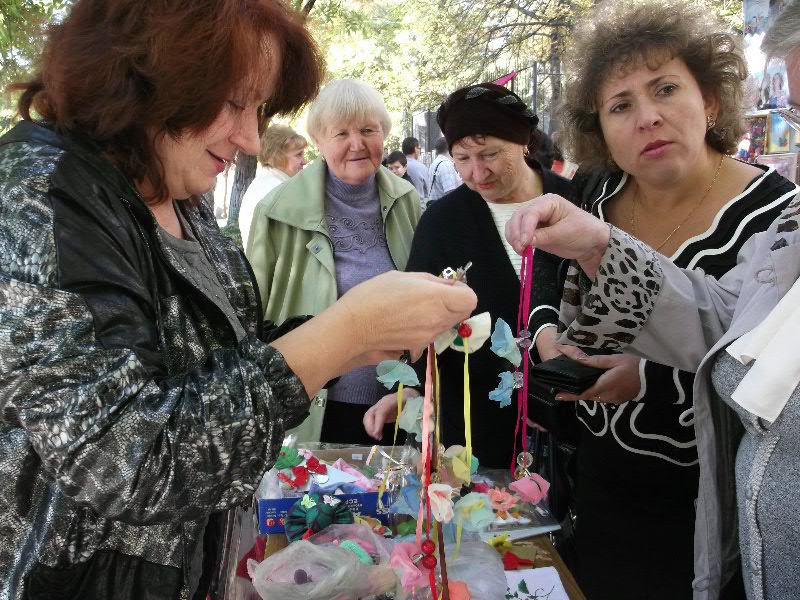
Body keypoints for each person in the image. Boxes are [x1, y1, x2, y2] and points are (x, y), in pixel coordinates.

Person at [0, 2, 478, 599]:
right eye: (233, 102)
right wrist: (344, 333)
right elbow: (124, 457)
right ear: (148, 72)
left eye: (258, 108)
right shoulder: (39, 196)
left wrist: (369, 328)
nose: (250, 136)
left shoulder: (171, 188)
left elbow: (224, 360)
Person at [506, 2, 800, 598]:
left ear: (711, 100)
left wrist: (643, 378)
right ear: (599, 129)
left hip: (704, 514)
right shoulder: (595, 191)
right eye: (621, 105)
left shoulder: (775, 215)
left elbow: (754, 367)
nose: (647, 118)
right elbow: (546, 280)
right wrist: (546, 337)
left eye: (666, 89)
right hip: (596, 478)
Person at [364, 82, 575, 470]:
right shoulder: (443, 222)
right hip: (474, 432)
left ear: (524, 142)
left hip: (571, 427)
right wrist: (407, 387)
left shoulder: (575, 202)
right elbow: (415, 317)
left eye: (490, 154)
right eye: (462, 158)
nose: (477, 172)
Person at [246, 79, 421, 445]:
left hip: (395, 406)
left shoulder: (407, 201)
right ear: (319, 141)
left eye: (368, 130)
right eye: (341, 133)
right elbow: (251, 314)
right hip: (312, 407)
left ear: (383, 135)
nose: (357, 144)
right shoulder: (278, 211)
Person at [238, 124, 307, 248]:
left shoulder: (263, 183)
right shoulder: (278, 190)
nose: (304, 161)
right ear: (277, 157)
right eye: (298, 155)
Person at [426, 136, 462, 204]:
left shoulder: (435, 163)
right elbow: (451, 193)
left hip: (436, 207)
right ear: (450, 148)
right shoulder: (446, 165)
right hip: (446, 209)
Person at [402, 136, 429, 203]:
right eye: (419, 148)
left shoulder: (398, 165)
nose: (419, 151)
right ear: (415, 149)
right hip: (419, 208)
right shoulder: (421, 167)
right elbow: (428, 191)